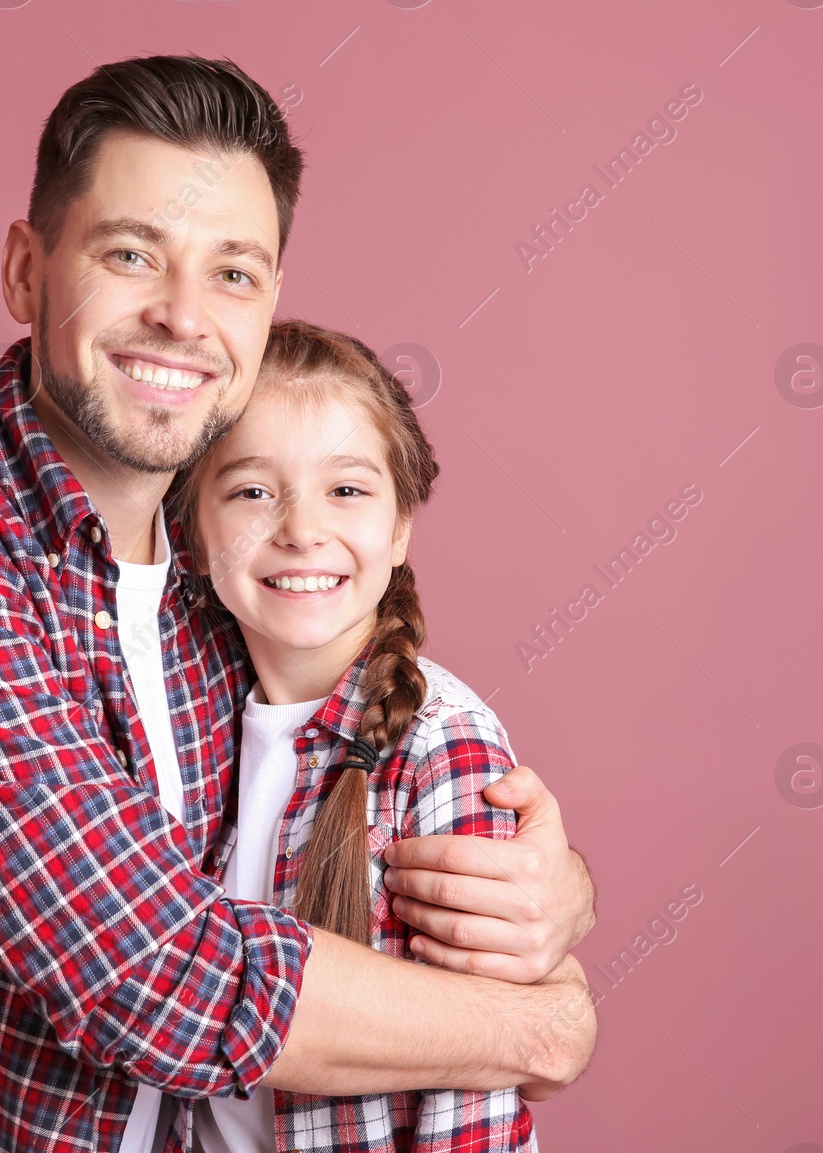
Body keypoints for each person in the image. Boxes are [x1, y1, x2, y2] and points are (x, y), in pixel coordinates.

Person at [0, 55, 596, 1153]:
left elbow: (350, 820)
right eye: (131, 254)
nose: (180, 317)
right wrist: (541, 1025)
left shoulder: (218, 598)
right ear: (27, 273)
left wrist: (551, 896)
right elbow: (144, 969)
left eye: (233, 274)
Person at [171, 318, 540, 1152]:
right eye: (253, 491)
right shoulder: (182, 719)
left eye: (346, 489)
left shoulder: (441, 748)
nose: (301, 529)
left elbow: (476, 1065)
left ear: (401, 525)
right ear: (191, 531)